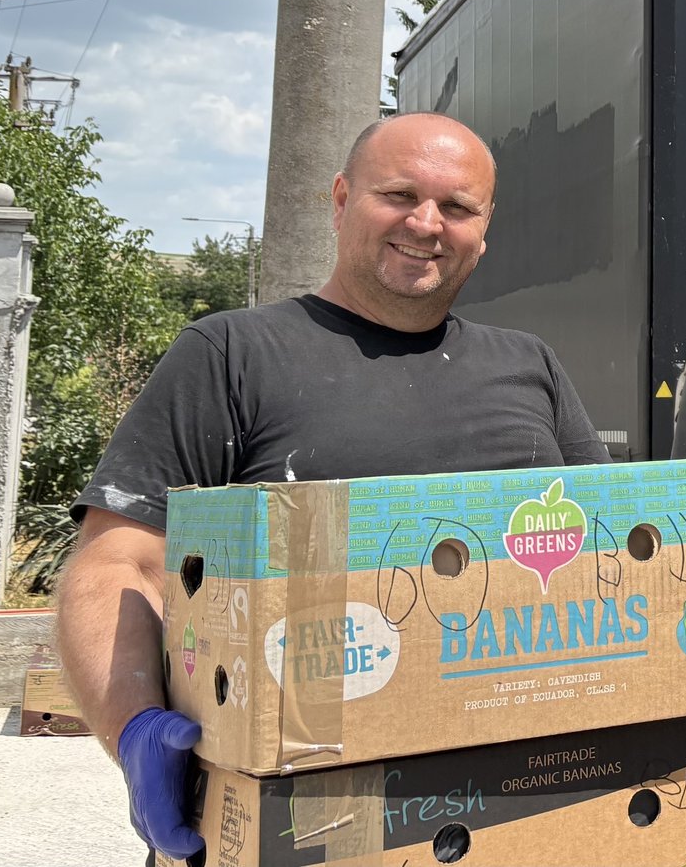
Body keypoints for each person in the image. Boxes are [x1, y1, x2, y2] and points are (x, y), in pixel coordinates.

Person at [57, 112, 608, 861]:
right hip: (295, 816)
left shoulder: (529, 365)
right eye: (400, 194)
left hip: (514, 806)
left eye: (456, 207)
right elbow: (118, 562)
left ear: (485, 226)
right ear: (343, 198)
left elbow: (605, 555)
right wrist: (134, 730)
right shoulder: (230, 354)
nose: (426, 223)